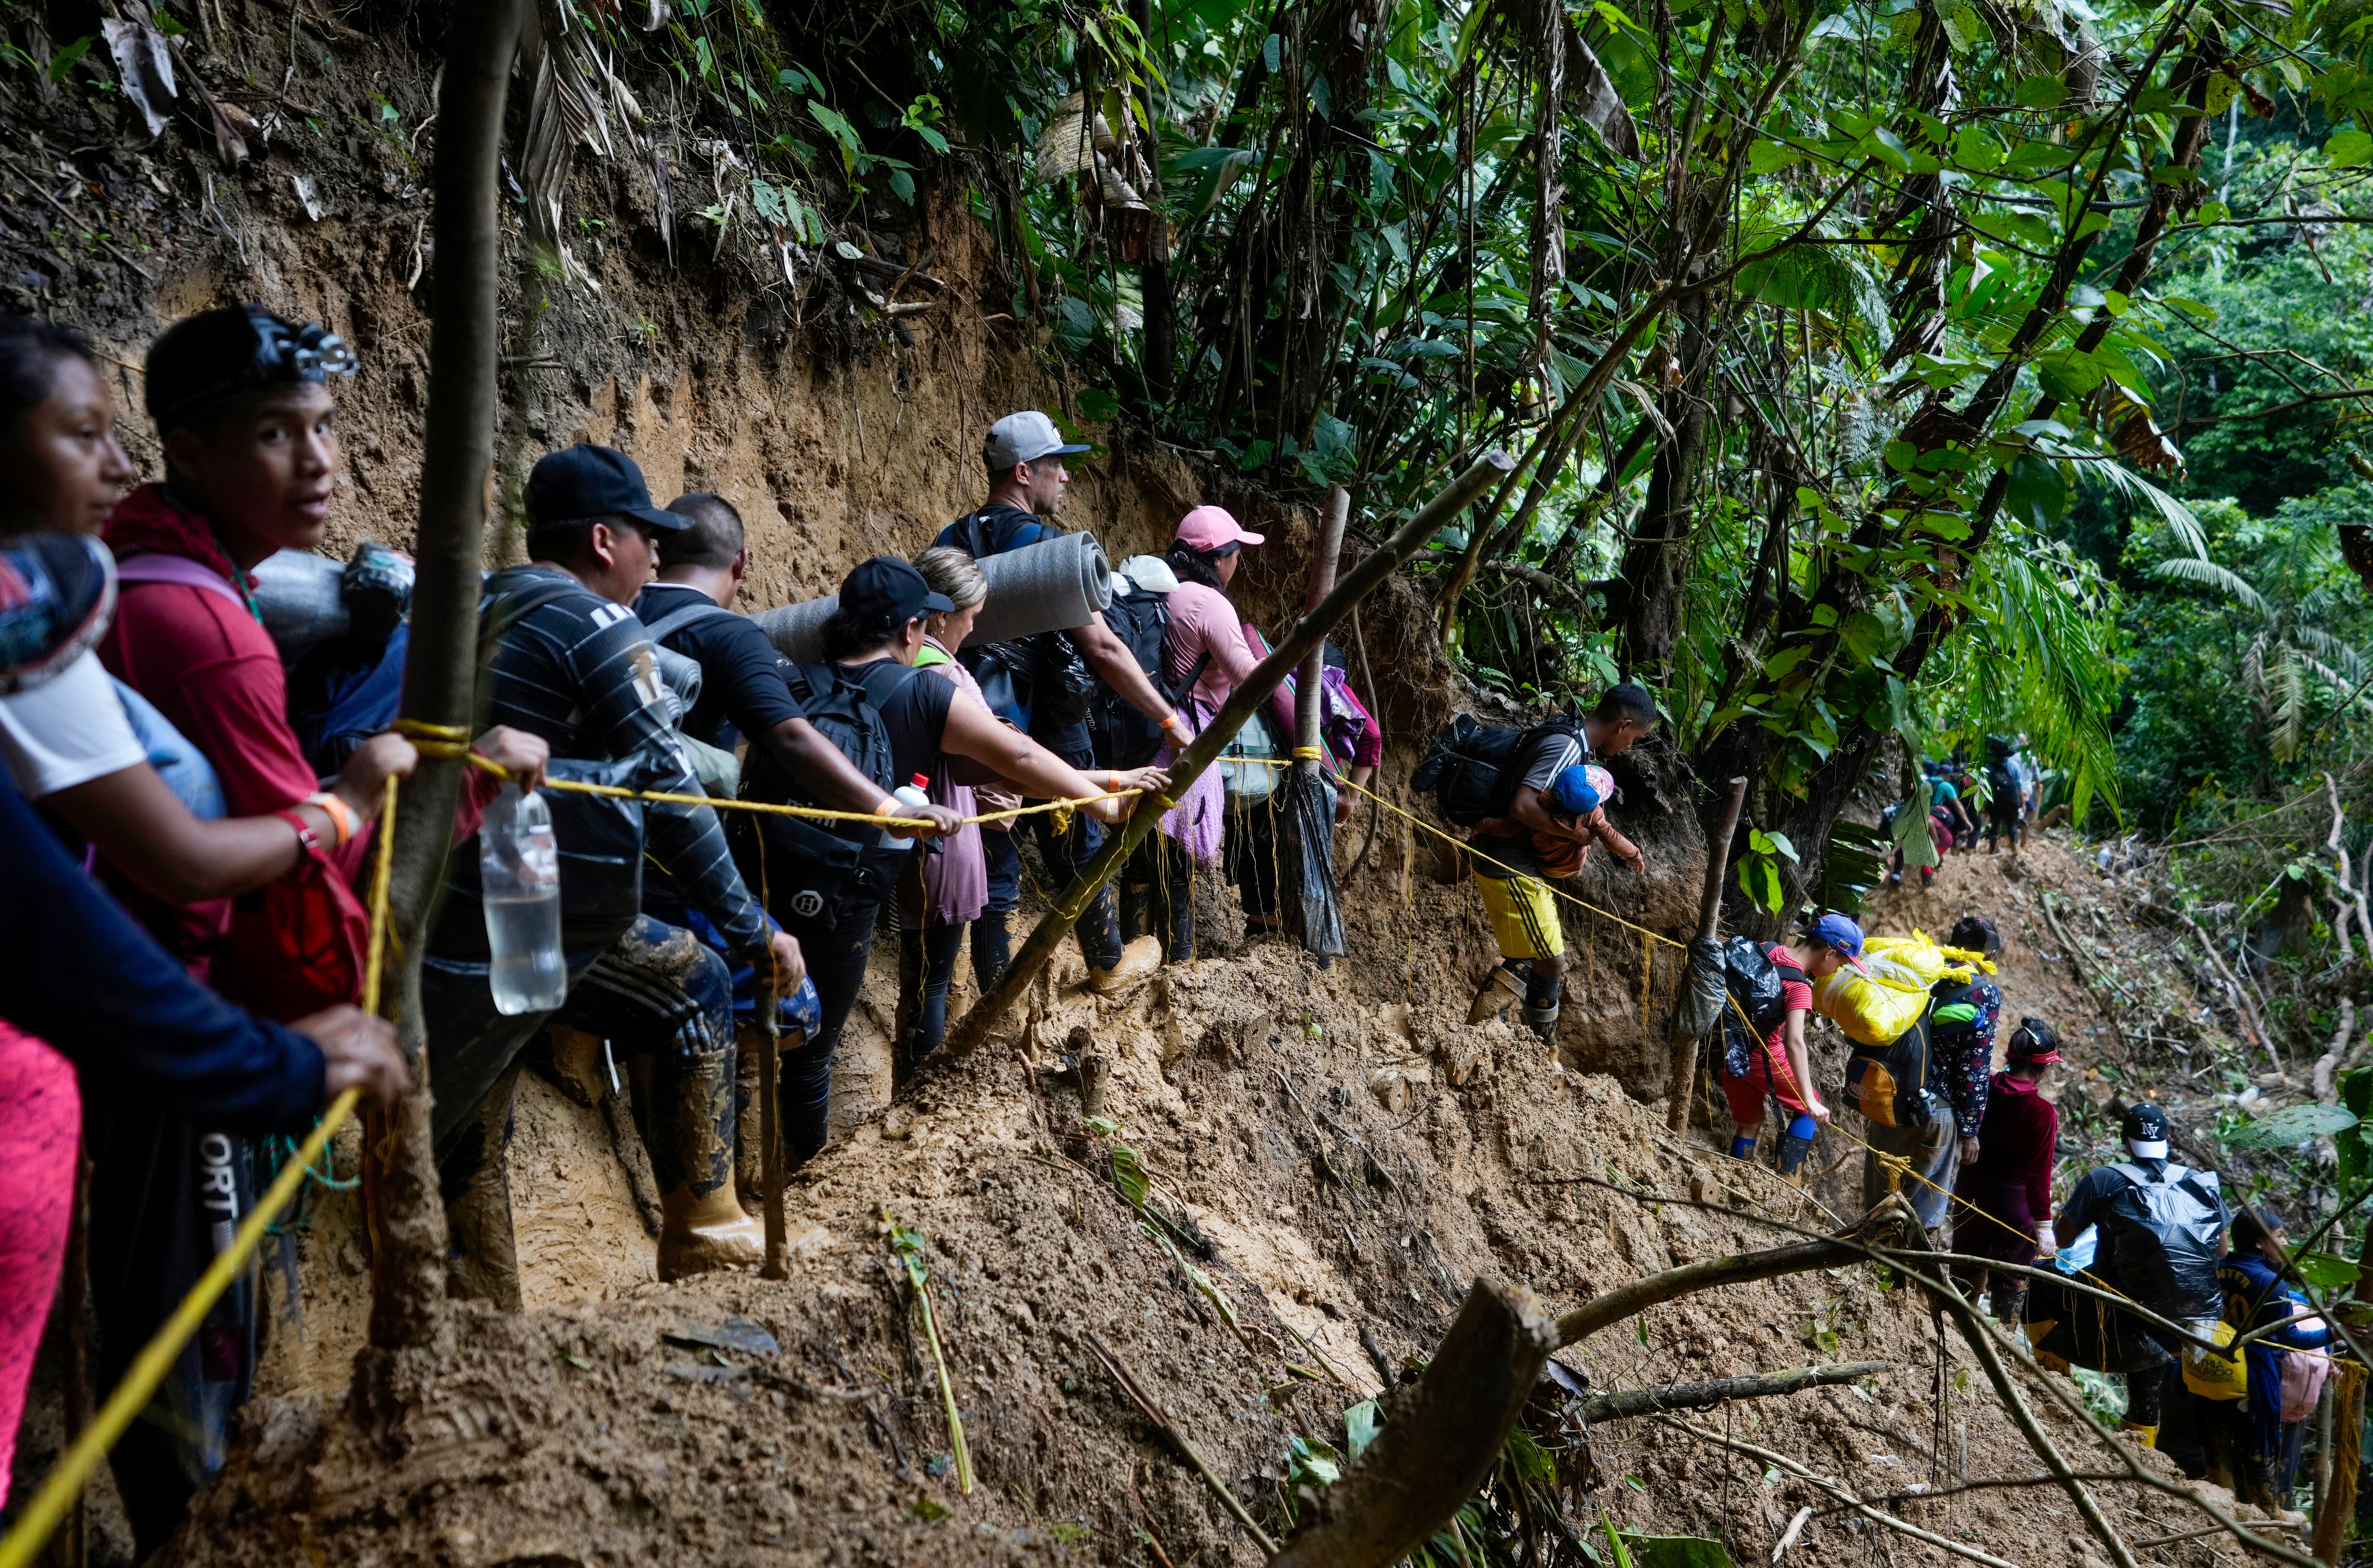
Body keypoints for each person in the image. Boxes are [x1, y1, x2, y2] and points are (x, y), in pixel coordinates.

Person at [0, 533, 407, 1513]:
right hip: (178, 1047)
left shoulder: (107, 605)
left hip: (160, 1046)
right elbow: (165, 873)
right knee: (193, 1347)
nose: (317, 457)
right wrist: (347, 811)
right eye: (80, 430)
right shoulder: (197, 628)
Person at [420, 443, 806, 1294]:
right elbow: (668, 786)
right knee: (694, 981)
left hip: (439, 903)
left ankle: (477, 1311)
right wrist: (752, 930)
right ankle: (703, 1226)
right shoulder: (595, 624)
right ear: (603, 540)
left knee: (471, 1115)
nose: (656, 556)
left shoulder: (475, 606)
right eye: (646, 537)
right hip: (532, 903)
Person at [733, 557, 1167, 1166]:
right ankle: (807, 1179)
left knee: (741, 1028)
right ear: (912, 629)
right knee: (813, 1050)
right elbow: (1012, 754)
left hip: (759, 875)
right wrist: (1101, 802)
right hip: (844, 895)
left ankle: (726, 1175)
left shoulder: (798, 680)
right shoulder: (925, 690)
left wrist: (1101, 780)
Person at [934, 411, 1190, 990]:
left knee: (993, 845)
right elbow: (1103, 647)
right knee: (1077, 831)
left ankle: (981, 997)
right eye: (1056, 465)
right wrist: (1167, 717)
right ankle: (1106, 961)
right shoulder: (1047, 550)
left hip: (958, 711)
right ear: (1023, 472)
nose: (1065, 477)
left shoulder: (950, 538)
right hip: (1035, 716)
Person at [1463, 684, 1658, 1044]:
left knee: (1536, 955)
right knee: (1548, 959)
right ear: (1623, 724)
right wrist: (1574, 837)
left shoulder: (1575, 745)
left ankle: (1512, 1044)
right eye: (1635, 737)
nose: (1630, 746)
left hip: (1514, 859)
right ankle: (1506, 1041)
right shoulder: (1567, 746)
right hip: (1509, 860)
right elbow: (1522, 807)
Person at [2033, 1103, 2230, 1449]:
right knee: (2147, 1385)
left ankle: (2048, 1385)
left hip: (2115, 1305)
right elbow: (2221, 1250)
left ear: (2126, 1143)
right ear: (2167, 1141)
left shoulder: (2104, 1179)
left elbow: (2061, 1240)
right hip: (2187, 1317)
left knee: (2038, 1281)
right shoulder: (2197, 1181)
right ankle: (2141, 1452)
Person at [894, 547, 1000, 1081]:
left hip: (922, 832)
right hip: (941, 838)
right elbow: (997, 754)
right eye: (971, 617)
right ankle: (919, 1099)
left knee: (923, 982)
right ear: (941, 614)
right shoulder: (942, 675)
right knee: (929, 985)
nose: (972, 628)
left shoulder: (902, 660)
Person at [1146, 507, 1262, 960]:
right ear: (1218, 558)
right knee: (1179, 860)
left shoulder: (1157, 586)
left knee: (1140, 856)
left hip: (1144, 729)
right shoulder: (1209, 603)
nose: (1238, 564)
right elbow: (1248, 678)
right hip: (1184, 741)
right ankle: (1177, 963)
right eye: (1236, 554)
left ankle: (1136, 950)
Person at [2208, 1205, 2332, 1511]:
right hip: (2255, 1373)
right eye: (2280, 1235)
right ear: (2260, 1243)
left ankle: (2220, 1504)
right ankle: (2266, 1512)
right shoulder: (2270, 1282)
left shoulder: (2216, 1268)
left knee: (2218, 1437)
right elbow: (2290, 1339)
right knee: (2258, 1443)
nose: (2286, 1241)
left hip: (2214, 1365)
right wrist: (2334, 1335)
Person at [1716, 914, 1855, 1166]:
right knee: (1808, 1110)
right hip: (1762, 1058)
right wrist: (1810, 1101)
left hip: (1727, 1051)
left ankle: (1734, 1175)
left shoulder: (1767, 948)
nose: (1837, 970)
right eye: (1842, 963)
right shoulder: (1800, 987)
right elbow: (1794, 1042)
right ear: (1829, 954)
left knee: (1750, 1120)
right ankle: (1788, 1181)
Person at [1950, 1017, 2063, 1324]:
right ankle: (2002, 1343)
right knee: (2011, 1276)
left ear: (2009, 1055)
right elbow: (2039, 1176)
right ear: (2043, 1068)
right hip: (2013, 1206)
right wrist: (2043, 1225)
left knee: (1963, 1262)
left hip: (1969, 1192)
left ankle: (1953, 1325)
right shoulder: (2042, 1113)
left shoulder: (1982, 1085)